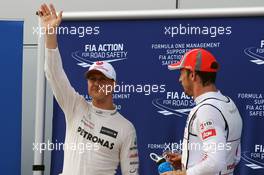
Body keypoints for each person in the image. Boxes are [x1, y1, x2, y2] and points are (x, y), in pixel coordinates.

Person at [38, 3, 139, 175]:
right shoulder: (76, 106)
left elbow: (131, 173)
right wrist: (50, 33)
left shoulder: (126, 128)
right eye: (92, 79)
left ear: (113, 85)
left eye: (101, 79)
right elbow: (54, 73)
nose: (95, 83)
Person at [162, 48, 243, 175]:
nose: (179, 79)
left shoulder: (207, 110)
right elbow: (233, 154)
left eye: (181, 73)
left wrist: (183, 173)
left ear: (193, 75)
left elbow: (215, 162)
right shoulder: (228, 103)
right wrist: (186, 159)